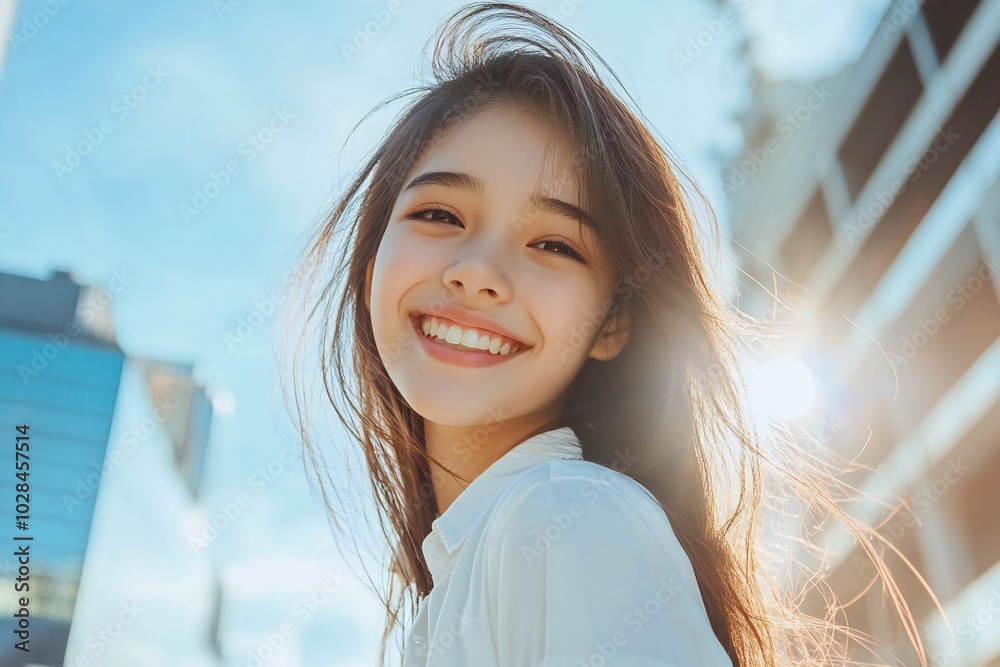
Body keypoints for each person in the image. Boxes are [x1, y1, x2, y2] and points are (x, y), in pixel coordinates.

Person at [282, 3, 929, 665]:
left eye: (555, 244)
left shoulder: (563, 516)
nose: (477, 273)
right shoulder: (478, 564)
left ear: (613, 320)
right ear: (372, 261)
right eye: (441, 213)